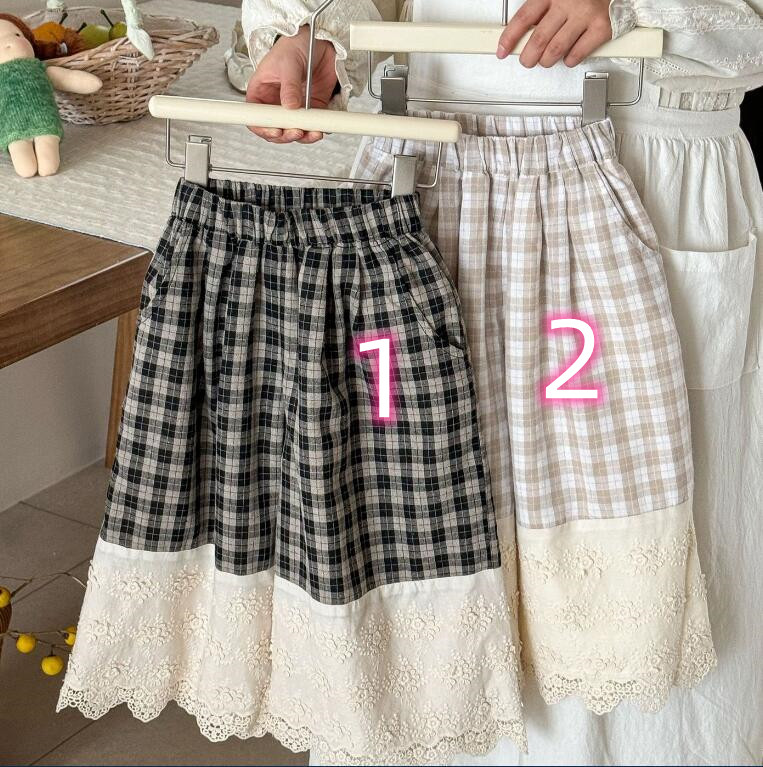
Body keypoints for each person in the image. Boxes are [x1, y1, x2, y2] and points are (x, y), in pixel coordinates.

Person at [239, 0, 763, 764]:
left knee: (642, 596)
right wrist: (315, 32)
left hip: (647, 148)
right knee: (419, 545)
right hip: (428, 160)